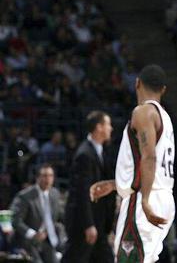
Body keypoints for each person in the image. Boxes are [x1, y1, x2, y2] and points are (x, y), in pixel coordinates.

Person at [90, 64, 176, 262]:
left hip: (144, 198)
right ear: (163, 89)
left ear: (137, 83)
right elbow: (150, 164)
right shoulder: (165, 118)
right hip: (163, 196)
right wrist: (116, 184)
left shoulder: (143, 112)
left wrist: (144, 199)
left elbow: (149, 157)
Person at [62, 111, 115, 263]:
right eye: (108, 124)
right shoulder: (84, 154)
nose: (111, 128)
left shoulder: (100, 151)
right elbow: (81, 193)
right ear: (99, 127)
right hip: (84, 225)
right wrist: (89, 224)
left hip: (98, 223)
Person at [10, 164, 66, 263]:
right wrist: (32, 234)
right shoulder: (24, 196)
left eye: (51, 176)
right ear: (37, 178)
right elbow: (15, 220)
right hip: (28, 240)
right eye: (44, 176)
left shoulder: (55, 194)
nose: (48, 179)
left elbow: (60, 215)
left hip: (48, 239)